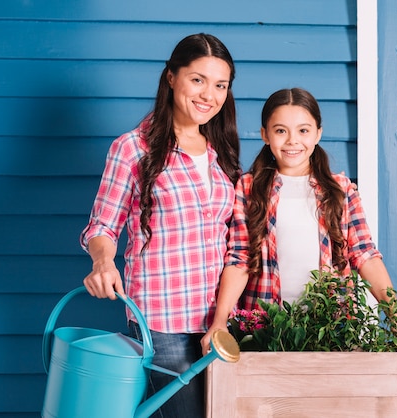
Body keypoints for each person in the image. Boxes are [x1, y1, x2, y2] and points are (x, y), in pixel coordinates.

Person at [80, 33, 240, 418]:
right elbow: (101, 227)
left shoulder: (222, 153)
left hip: (217, 321)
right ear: (171, 77)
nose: (209, 95)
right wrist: (103, 263)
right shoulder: (133, 148)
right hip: (161, 321)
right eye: (197, 80)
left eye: (220, 85)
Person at [201, 87, 396, 354]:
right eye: (281, 131)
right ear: (264, 135)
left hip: (332, 330)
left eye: (303, 131)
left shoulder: (340, 190)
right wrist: (220, 321)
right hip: (266, 332)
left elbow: (365, 256)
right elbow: (240, 258)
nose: (293, 141)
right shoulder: (249, 187)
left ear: (318, 133)